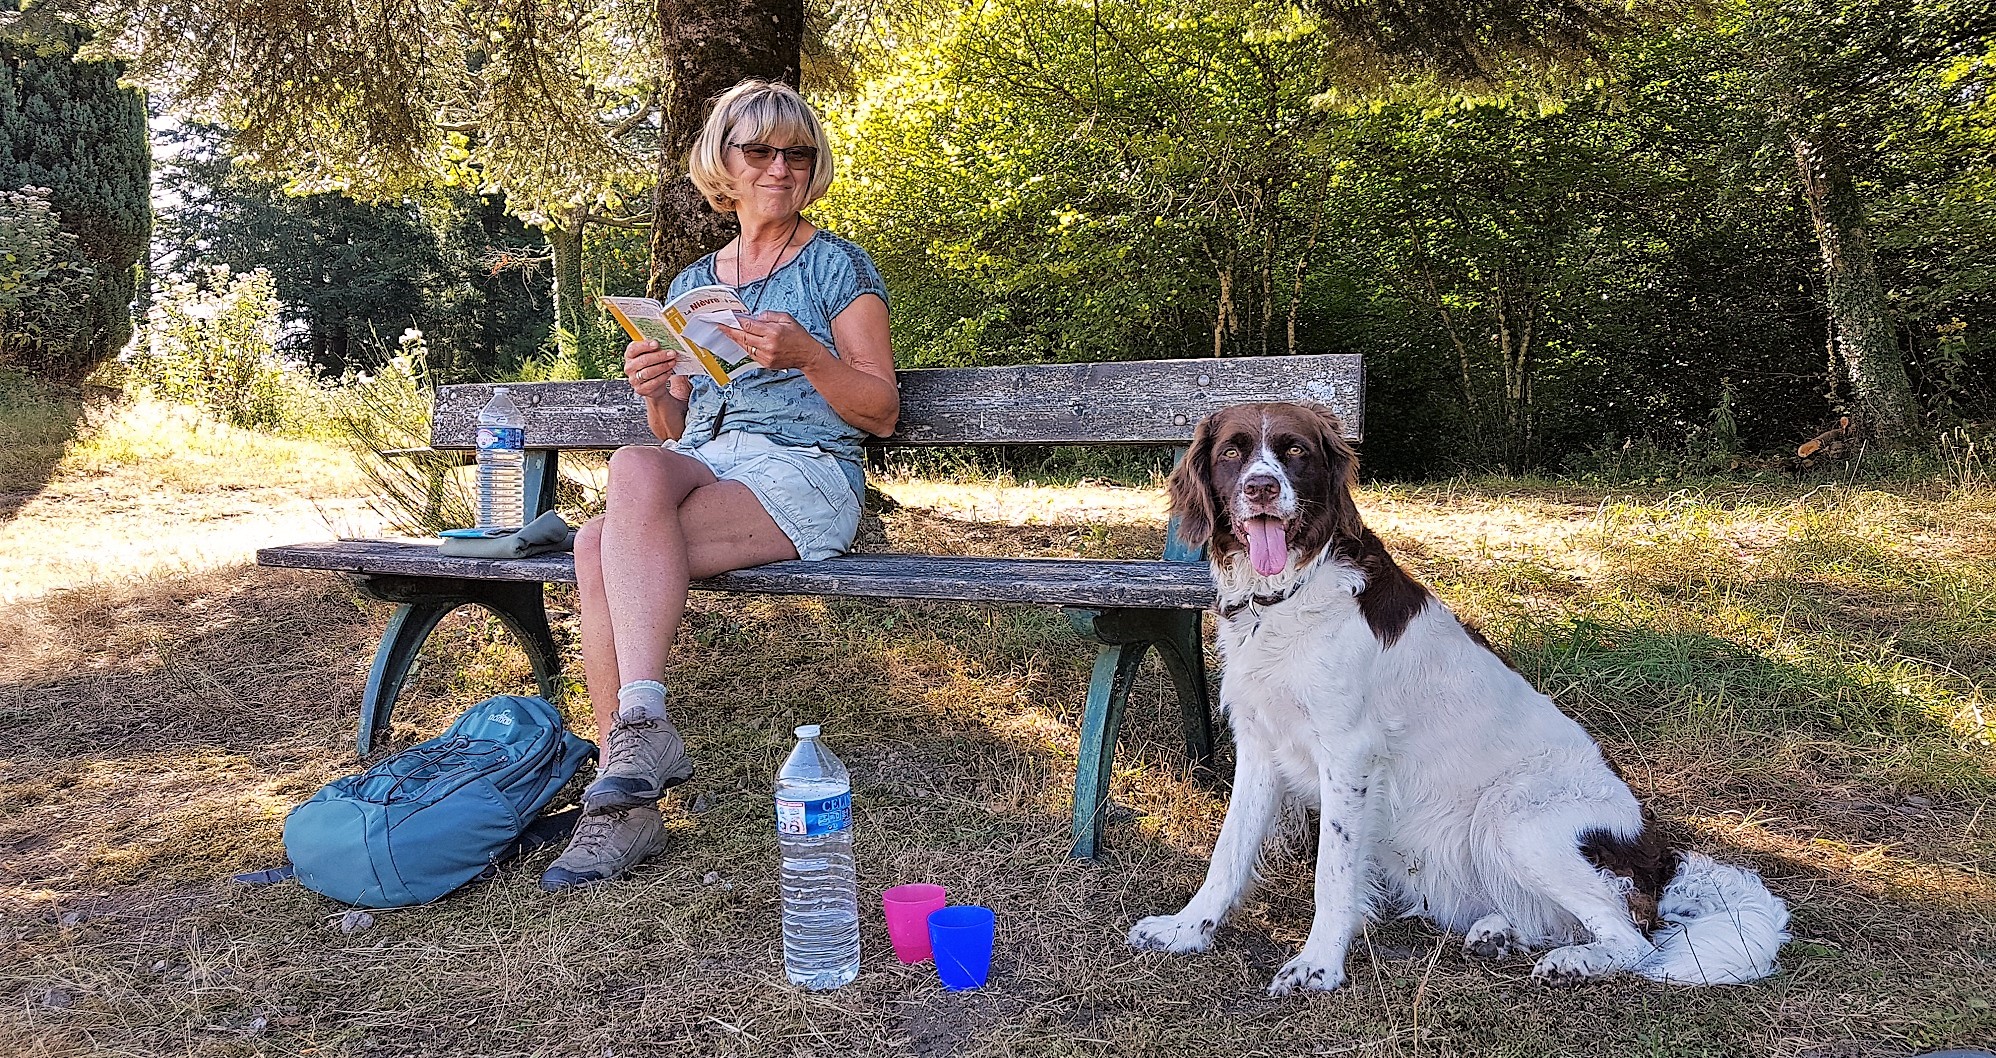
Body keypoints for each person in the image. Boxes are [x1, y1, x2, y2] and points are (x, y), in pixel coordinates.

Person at [540, 80, 898, 889]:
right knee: (627, 472)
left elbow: (880, 412)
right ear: (723, 165)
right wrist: (655, 386)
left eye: (797, 153)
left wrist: (810, 356)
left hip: (806, 471)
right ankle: (641, 736)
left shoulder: (837, 265)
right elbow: (674, 432)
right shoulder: (697, 279)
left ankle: (622, 804)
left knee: (599, 547)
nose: (781, 167)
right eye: (760, 150)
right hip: (717, 460)